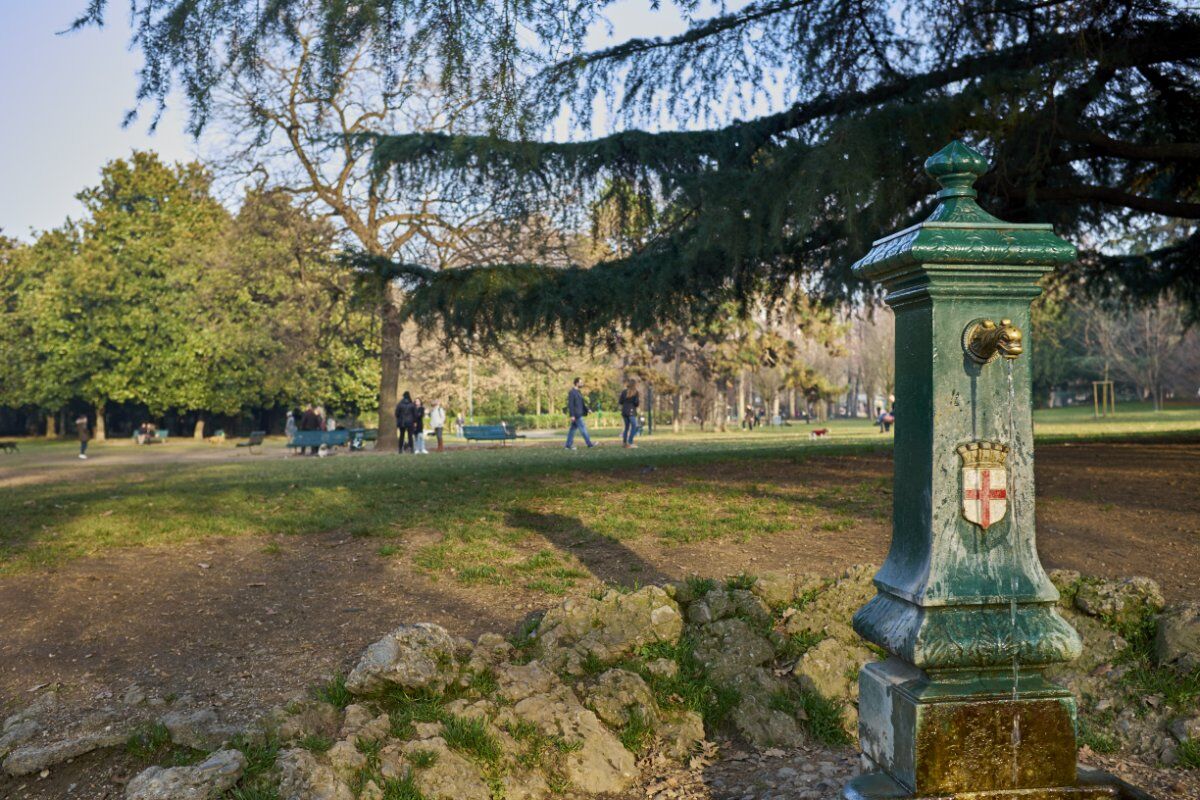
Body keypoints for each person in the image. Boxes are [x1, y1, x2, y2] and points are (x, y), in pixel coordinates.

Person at [565, 377, 596, 450]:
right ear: (576, 383)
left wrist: (588, 409)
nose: (582, 384)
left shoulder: (578, 392)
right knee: (583, 429)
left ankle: (568, 445)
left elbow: (582, 403)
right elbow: (571, 404)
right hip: (576, 415)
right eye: (580, 382)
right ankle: (590, 444)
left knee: (572, 430)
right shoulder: (572, 392)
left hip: (579, 413)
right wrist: (572, 415)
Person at [618, 379, 640, 448]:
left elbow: (620, 401)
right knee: (634, 426)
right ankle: (630, 442)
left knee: (626, 427)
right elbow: (636, 403)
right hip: (631, 411)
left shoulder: (624, 392)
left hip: (624, 411)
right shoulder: (635, 392)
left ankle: (624, 443)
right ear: (634, 385)